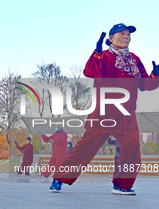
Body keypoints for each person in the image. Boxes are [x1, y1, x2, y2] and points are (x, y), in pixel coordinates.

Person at [49, 23, 159, 195]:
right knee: (85, 149)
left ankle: (122, 185)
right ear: (111, 38)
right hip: (104, 112)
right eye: (122, 34)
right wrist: (97, 54)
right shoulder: (104, 57)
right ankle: (59, 177)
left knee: (132, 149)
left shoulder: (134, 60)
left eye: (128, 35)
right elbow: (89, 71)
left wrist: (156, 75)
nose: (126, 37)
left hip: (126, 115)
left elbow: (145, 84)